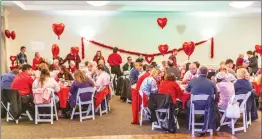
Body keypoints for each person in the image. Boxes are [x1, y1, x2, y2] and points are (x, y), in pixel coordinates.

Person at [185, 66, 217, 137]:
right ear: (207, 73)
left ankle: (189, 124)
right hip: (208, 107)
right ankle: (206, 123)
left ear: (198, 72)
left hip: (195, 106)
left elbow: (186, 91)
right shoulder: (211, 83)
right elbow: (215, 94)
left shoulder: (193, 80)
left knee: (187, 103)